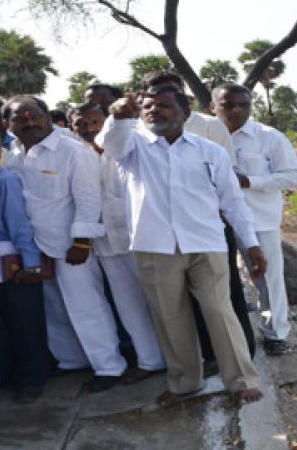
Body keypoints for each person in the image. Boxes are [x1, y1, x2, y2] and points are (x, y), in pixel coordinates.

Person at [98, 87, 266, 406]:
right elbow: (109, 142)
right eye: (148, 106)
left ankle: (242, 379)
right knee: (170, 316)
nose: (154, 111)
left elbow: (232, 202)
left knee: (220, 310)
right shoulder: (132, 147)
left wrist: (252, 244)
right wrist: (118, 116)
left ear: (184, 113)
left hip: (206, 243)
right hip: (154, 246)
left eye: (163, 105)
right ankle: (184, 382)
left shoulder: (209, 151)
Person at [4, 96, 126, 392]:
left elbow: (87, 198)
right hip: (34, 246)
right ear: (10, 125)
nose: (29, 122)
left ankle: (109, 366)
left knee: (87, 307)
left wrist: (81, 242)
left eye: (35, 116)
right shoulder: (15, 153)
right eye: (21, 118)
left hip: (70, 245)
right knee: (54, 309)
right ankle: (72, 360)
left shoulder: (73, 151)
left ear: (48, 117)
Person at [142, 72, 255, 360]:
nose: (160, 104)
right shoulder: (140, 137)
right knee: (179, 308)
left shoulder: (209, 128)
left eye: (170, 93)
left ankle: (240, 358)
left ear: (183, 99)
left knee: (223, 299)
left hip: (209, 228)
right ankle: (203, 357)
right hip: (163, 237)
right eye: (155, 95)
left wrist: (245, 236)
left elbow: (227, 179)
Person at [71, 102, 167, 384]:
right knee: (129, 306)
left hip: (141, 239)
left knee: (163, 302)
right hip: (106, 244)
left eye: (94, 122)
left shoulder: (132, 148)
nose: (89, 129)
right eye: (81, 124)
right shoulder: (77, 155)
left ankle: (184, 359)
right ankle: (151, 360)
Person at [212, 83, 297, 356]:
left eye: (243, 104)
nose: (236, 110)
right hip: (213, 222)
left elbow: (295, 176)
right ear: (213, 107)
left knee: (267, 279)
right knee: (220, 280)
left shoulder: (268, 137)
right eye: (228, 104)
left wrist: (250, 181)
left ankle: (274, 332)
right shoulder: (203, 136)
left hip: (257, 220)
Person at [0, 124, 52, 403]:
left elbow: (19, 225)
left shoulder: (4, 180)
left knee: (24, 323)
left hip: (9, 259)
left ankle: (32, 378)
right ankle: (1, 375)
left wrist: (30, 262)